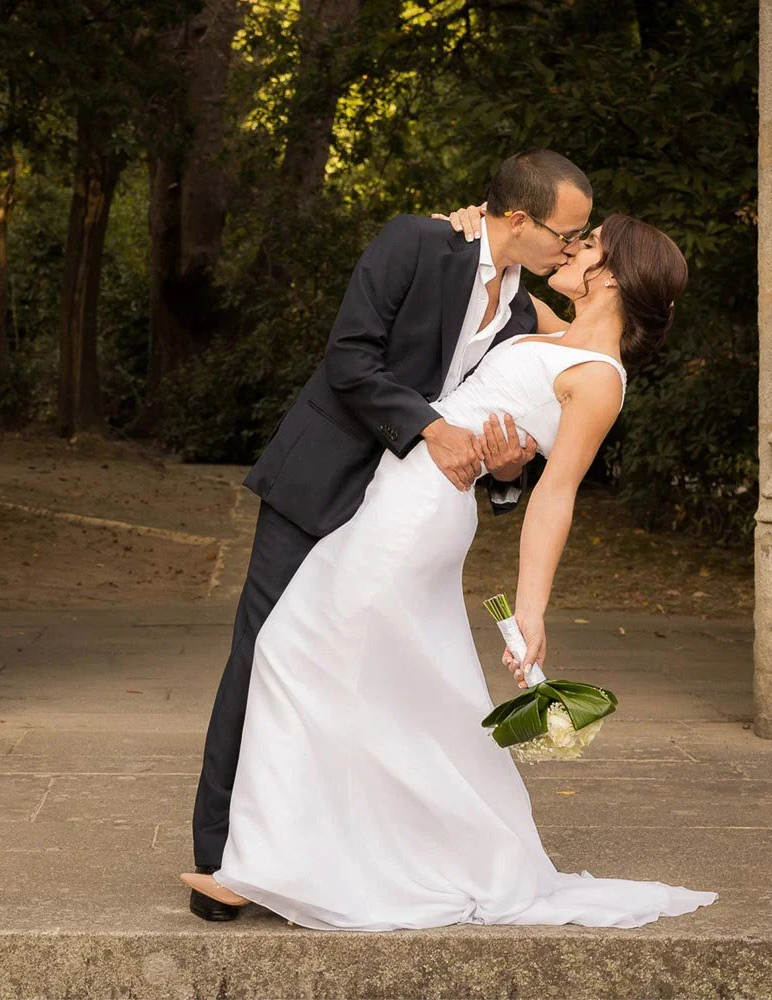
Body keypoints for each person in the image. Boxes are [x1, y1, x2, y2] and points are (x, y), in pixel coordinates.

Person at [181, 213, 721, 931]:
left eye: (585, 243)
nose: (569, 247)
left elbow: (554, 496)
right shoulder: (546, 324)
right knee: (365, 679)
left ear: (613, 273)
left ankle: (266, 869)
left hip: (417, 516)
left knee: (292, 653)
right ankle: (323, 853)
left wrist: (531, 613)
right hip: (389, 495)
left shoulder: (598, 379)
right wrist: (472, 223)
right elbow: (489, 269)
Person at [188, 150, 594, 921]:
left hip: (401, 518)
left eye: (578, 242)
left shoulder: (518, 315)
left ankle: (316, 851)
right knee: (263, 651)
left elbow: (509, 425)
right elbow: (349, 357)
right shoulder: (417, 242)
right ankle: (219, 857)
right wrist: (429, 428)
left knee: (349, 676)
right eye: (565, 235)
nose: (569, 250)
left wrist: (506, 470)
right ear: (518, 219)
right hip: (323, 483)